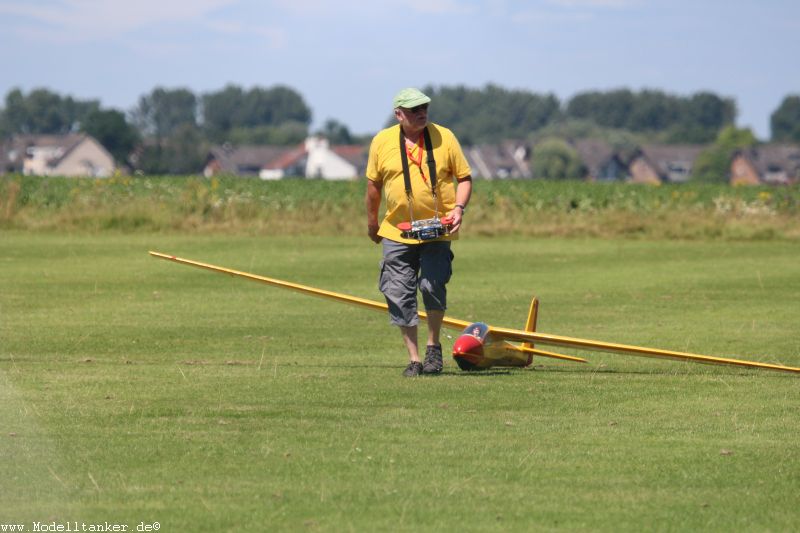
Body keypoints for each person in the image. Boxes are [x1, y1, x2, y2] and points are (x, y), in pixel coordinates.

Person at [365, 88, 473, 377]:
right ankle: (414, 359)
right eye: (414, 110)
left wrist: (459, 208)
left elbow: (464, 178)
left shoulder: (445, 136)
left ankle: (433, 347)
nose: (421, 113)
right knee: (399, 293)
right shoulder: (382, 141)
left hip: (438, 228)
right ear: (398, 114)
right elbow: (373, 188)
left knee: (432, 285)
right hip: (396, 231)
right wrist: (373, 224)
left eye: (424, 107)